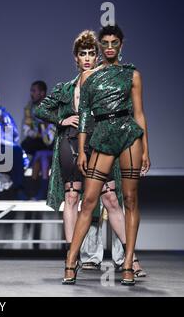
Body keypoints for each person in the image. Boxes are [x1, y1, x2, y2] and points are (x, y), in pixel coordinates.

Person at [35, 30, 145, 277]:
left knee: (111, 198)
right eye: (82, 53)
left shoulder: (106, 79)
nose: (87, 57)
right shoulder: (67, 87)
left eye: (91, 53)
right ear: (75, 57)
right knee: (72, 197)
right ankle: (71, 255)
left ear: (97, 56)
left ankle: (131, 257)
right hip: (71, 142)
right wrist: (62, 119)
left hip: (100, 140)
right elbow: (42, 108)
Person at [64, 24, 150, 286]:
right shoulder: (91, 77)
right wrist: (81, 149)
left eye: (115, 42)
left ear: (121, 45)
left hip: (128, 133)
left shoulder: (131, 74)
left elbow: (138, 113)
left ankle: (127, 263)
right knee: (89, 200)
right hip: (101, 134)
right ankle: (71, 260)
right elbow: (86, 116)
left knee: (129, 198)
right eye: (106, 43)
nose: (110, 47)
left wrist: (146, 148)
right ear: (101, 45)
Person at [0, 88, 27, 199]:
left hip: (3, 147)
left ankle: (18, 188)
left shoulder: (5, 115)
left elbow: (14, 135)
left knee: (17, 150)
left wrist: (4, 123)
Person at [22, 81, 55, 200]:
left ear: (42, 93)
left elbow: (52, 133)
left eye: (34, 91)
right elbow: (27, 129)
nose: (31, 94)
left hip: (51, 144)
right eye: (31, 91)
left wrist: (45, 129)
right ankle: (40, 193)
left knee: (41, 157)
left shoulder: (51, 107)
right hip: (37, 145)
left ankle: (34, 193)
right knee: (40, 157)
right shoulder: (29, 108)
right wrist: (37, 134)